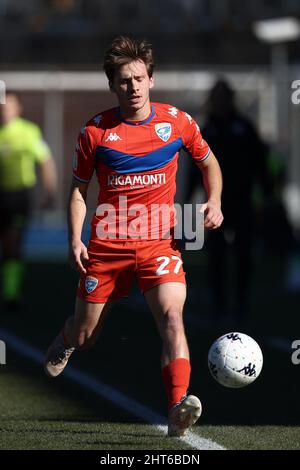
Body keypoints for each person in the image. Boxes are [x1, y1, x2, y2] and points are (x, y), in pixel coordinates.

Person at [44, 36, 223, 437]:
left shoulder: (177, 122)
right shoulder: (95, 132)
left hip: (161, 241)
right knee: (87, 336)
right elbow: (78, 189)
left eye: (140, 78)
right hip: (107, 246)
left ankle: (178, 405)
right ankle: (69, 334)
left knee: (173, 318)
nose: (134, 87)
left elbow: (209, 162)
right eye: (125, 81)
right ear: (112, 85)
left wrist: (214, 201)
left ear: (151, 80)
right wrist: (75, 238)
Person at [187, 79, 272, 322]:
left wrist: (266, 195)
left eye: (224, 97)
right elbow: (196, 168)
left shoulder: (244, 128)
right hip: (215, 204)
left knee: (243, 252)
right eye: (216, 98)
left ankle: (241, 302)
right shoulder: (206, 130)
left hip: (242, 201)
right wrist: (187, 197)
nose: (220, 103)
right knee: (217, 253)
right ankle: (218, 302)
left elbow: (260, 163)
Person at [0, 92, 57, 311]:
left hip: (19, 197)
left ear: (18, 108)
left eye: (9, 106)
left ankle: (11, 294)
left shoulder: (28, 132)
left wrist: (49, 191)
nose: (5, 110)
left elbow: (45, 161)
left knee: (12, 243)